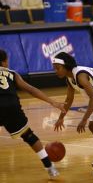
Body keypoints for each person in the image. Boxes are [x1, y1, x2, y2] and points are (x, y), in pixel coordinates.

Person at [0, 49, 65, 178]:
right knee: (29, 136)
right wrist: (52, 102)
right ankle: (50, 167)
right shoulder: (12, 73)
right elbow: (31, 90)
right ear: (4, 61)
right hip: (12, 107)